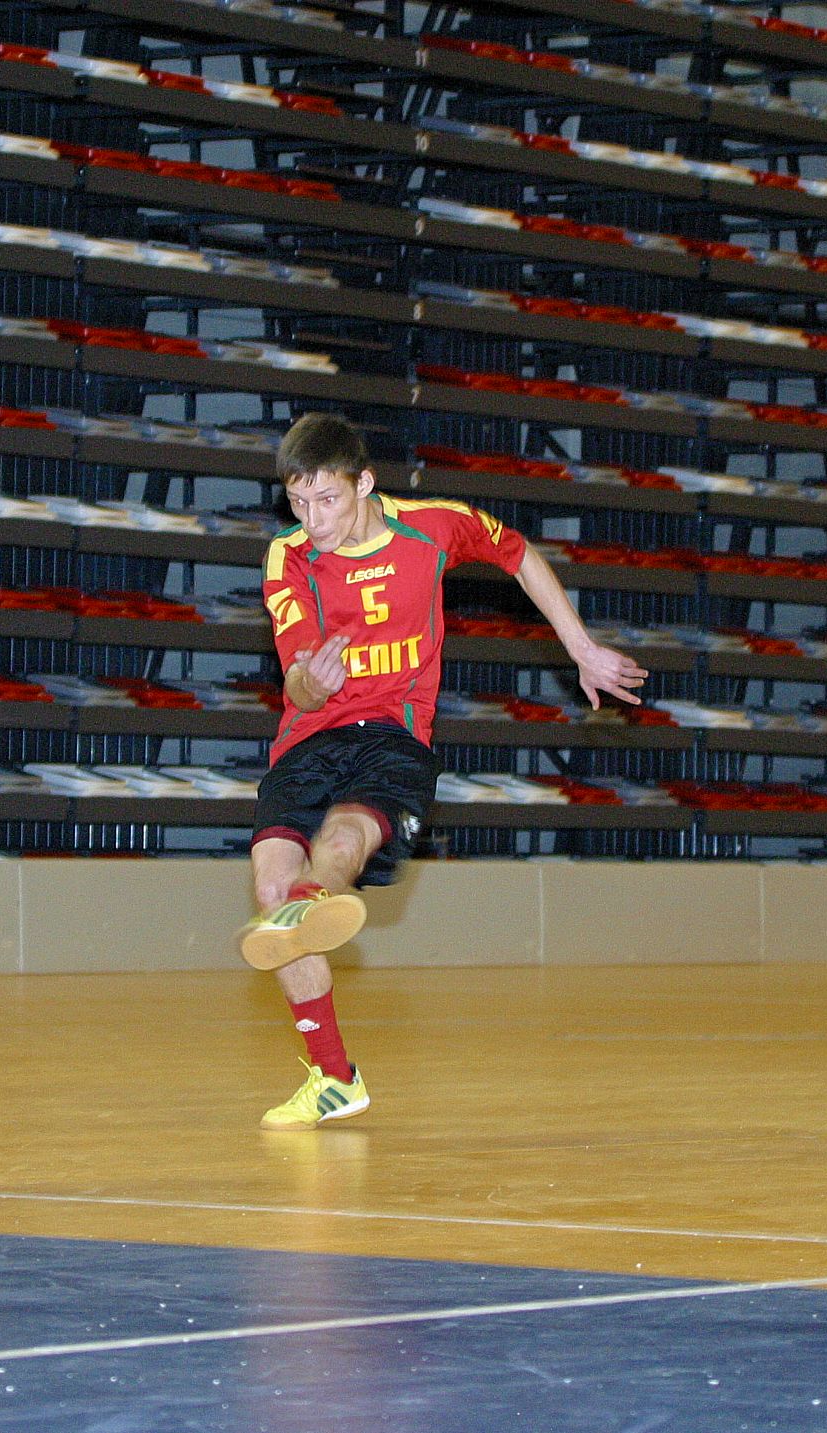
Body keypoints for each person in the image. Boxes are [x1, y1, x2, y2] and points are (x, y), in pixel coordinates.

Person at [240, 413, 647, 1129]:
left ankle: (312, 898)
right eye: (298, 502)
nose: (313, 519)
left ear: (364, 483)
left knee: (341, 841)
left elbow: (517, 554)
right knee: (270, 885)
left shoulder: (431, 527)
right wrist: (312, 683)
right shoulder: (289, 557)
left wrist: (580, 647)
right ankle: (334, 1077)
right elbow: (298, 684)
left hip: (394, 734)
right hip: (310, 735)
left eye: (327, 499)